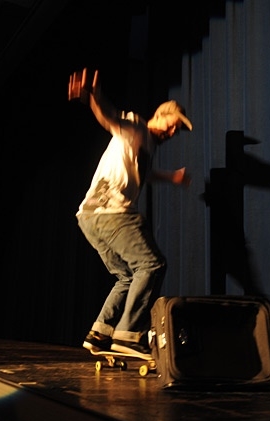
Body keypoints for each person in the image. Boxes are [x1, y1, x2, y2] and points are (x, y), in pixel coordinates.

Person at [68, 67, 193, 357]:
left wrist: (171, 177)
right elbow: (110, 118)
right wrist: (95, 97)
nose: (171, 133)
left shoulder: (145, 145)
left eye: (176, 132)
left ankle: (100, 333)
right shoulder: (136, 126)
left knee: (126, 277)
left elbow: (144, 175)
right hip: (112, 213)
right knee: (152, 265)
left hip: (89, 217)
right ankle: (127, 334)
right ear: (160, 116)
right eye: (171, 126)